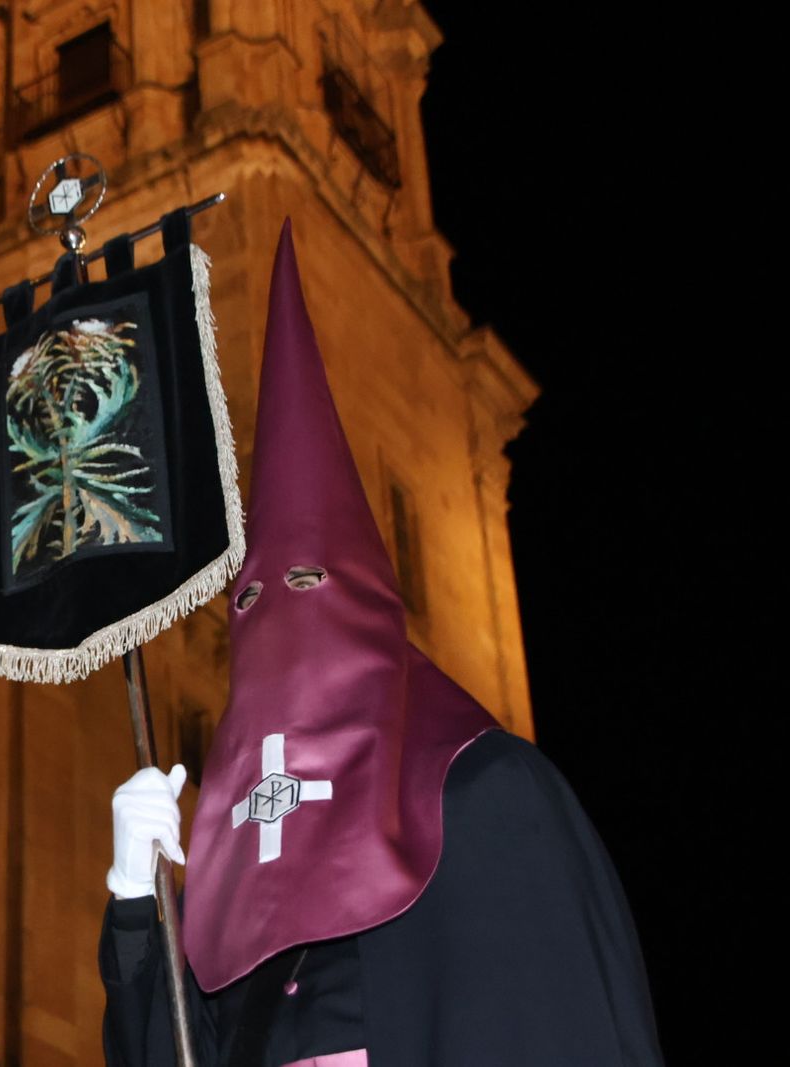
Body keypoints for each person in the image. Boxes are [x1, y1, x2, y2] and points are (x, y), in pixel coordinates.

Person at [99, 224, 663, 1066]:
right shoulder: (235, 858)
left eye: (304, 586)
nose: (277, 624)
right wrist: (138, 898)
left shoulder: (485, 794)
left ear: (372, 611)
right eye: (248, 601)